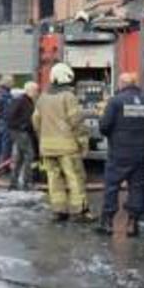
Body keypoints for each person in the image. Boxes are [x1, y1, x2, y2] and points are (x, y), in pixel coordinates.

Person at [97, 72, 144, 237]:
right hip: (142, 153)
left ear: (121, 84)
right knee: (137, 187)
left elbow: (104, 127)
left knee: (112, 186)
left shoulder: (115, 101)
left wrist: (100, 118)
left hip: (119, 152)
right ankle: (132, 223)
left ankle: (108, 222)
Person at [33, 63, 93, 223]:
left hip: (47, 147)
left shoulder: (43, 97)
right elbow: (76, 122)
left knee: (54, 180)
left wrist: (43, 138)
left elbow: (36, 121)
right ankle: (79, 211)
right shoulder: (69, 96)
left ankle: (59, 211)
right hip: (67, 147)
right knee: (75, 178)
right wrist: (83, 142)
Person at [6, 82, 38, 190]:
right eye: (35, 90)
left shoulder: (27, 101)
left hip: (22, 131)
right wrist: (21, 125)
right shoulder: (21, 101)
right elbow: (10, 116)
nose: (36, 93)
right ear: (30, 90)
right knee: (30, 154)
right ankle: (27, 182)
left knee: (20, 157)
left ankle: (13, 183)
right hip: (19, 131)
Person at [0, 76, 14, 168]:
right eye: (12, 82)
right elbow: (8, 110)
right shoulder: (6, 95)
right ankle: (5, 165)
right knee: (6, 145)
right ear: (8, 83)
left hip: (0, 121)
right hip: (6, 122)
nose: (13, 84)